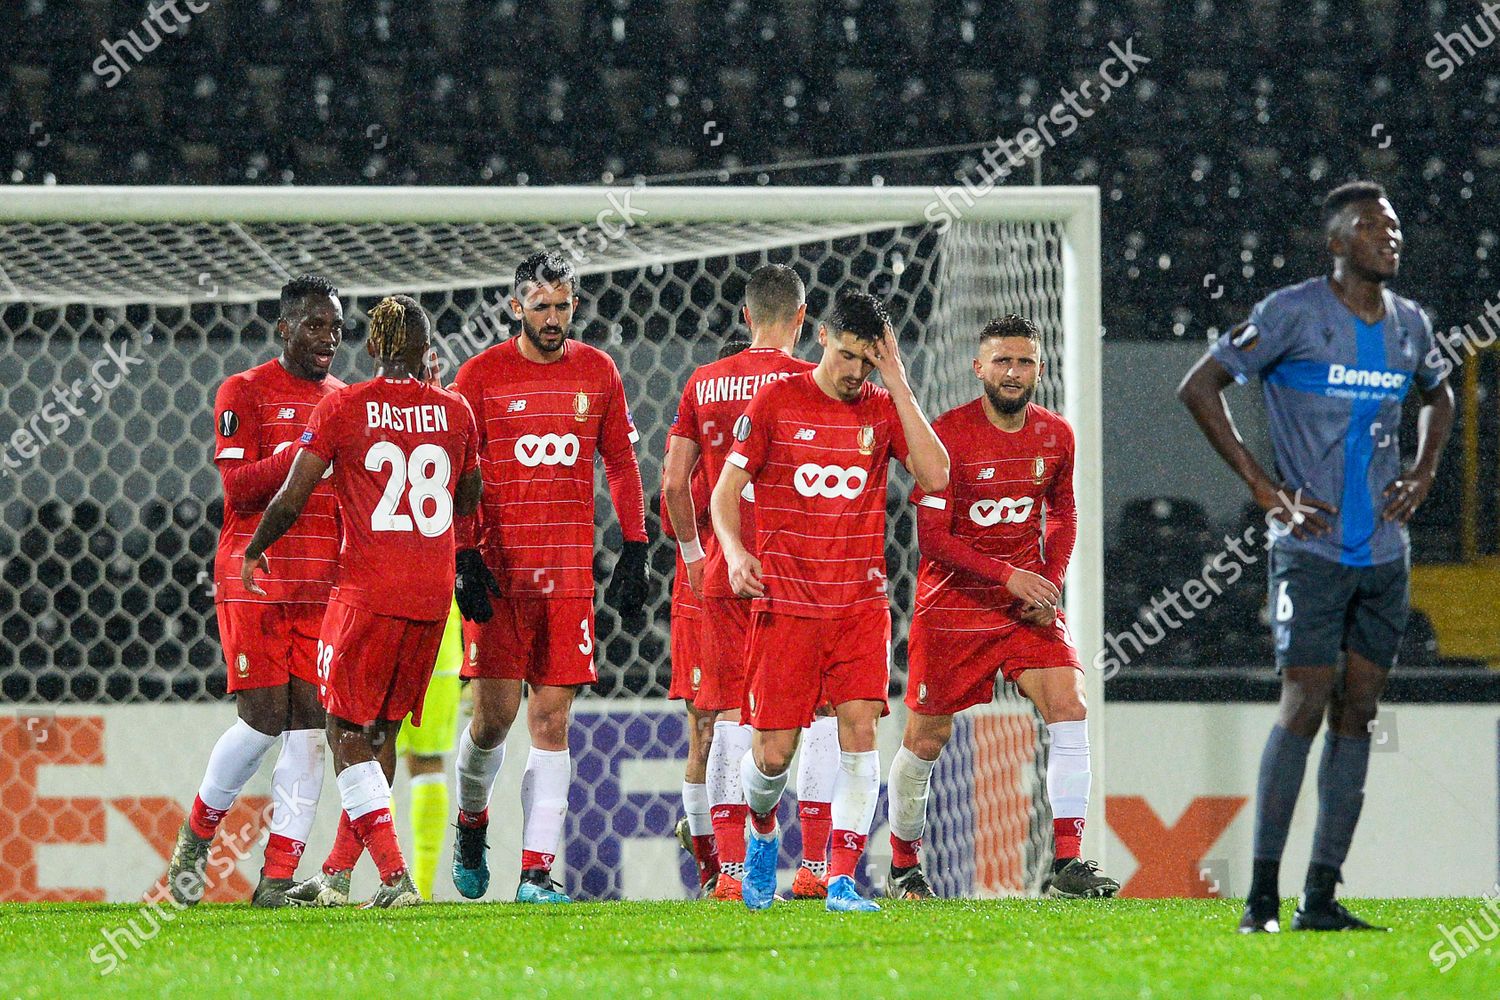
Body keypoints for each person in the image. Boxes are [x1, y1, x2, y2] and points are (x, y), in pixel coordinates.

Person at [1178, 181, 1454, 932]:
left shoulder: (1411, 326)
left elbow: (1441, 395)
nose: (1389, 236)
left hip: (1384, 556)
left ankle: (1321, 898)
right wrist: (1265, 489)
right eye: (1371, 226)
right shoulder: (1291, 313)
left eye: (1394, 225)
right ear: (1337, 244)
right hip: (1310, 549)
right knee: (1304, 702)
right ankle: (1261, 897)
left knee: (1359, 711)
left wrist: (1425, 472)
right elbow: (1200, 386)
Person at [710, 290, 949, 912]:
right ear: (820, 335)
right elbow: (724, 493)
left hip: (859, 606)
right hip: (786, 606)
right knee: (772, 757)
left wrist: (897, 382)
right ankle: (763, 831)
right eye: (846, 356)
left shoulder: (881, 404)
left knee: (860, 732)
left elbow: (937, 476)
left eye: (866, 363)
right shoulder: (776, 402)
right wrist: (736, 555)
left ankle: (842, 879)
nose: (853, 373)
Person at [250, 294, 481, 908]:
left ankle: (394, 874)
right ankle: (334, 874)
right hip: (433, 596)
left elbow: (293, 497)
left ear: (373, 346)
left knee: (344, 724)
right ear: (427, 347)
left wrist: (254, 549)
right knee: (380, 728)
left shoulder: (344, 406)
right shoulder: (457, 412)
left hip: (367, 590)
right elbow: (468, 497)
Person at [885, 315, 1119, 901]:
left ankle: (1067, 864)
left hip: (1024, 610)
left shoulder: (1056, 435)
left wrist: (1048, 580)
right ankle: (902, 866)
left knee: (1070, 705)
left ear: (1038, 369)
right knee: (925, 739)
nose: (1013, 373)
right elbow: (934, 540)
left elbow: (1063, 515)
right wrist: (1009, 575)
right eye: (1002, 362)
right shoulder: (945, 436)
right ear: (979, 368)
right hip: (952, 609)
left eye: (1024, 362)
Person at [450, 251, 648, 904]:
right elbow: (457, 477)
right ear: (515, 308)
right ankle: (472, 820)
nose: (555, 318)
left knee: (552, 720)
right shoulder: (478, 377)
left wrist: (635, 545)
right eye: (542, 307)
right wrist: (464, 553)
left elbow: (619, 461)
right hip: (501, 579)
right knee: (493, 722)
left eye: (564, 306)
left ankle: (536, 872)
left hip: (567, 579)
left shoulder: (598, 371)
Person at [166, 274, 344, 908]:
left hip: (323, 584)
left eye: (337, 327)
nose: (330, 338)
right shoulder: (242, 391)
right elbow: (240, 489)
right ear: (285, 328)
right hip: (256, 575)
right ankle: (196, 837)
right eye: (317, 325)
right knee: (264, 717)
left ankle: (276, 880)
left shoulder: (343, 399)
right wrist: (309, 445)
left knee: (313, 726)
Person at [664, 266, 839, 903]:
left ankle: (729, 874)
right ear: (802, 318)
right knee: (816, 711)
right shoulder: (813, 382)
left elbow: (674, 484)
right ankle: (816, 864)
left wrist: (692, 555)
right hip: (800, 573)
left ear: (744, 317)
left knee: (727, 717)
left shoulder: (704, 382)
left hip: (724, 571)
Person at [664, 334, 748, 897]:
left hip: (752, 584)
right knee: (707, 727)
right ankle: (712, 868)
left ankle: (735, 858)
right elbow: (670, 499)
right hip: (704, 588)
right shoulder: (702, 456)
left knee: (737, 726)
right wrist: (696, 557)